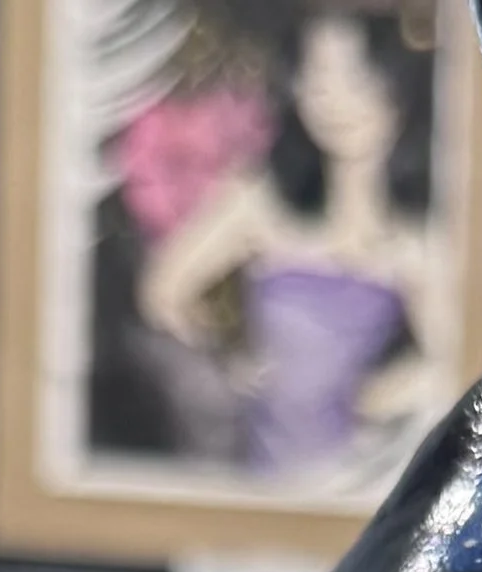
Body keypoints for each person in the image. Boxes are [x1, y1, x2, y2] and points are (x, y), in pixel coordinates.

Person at [137, 5, 435, 480]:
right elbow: (163, 291)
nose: (335, 101)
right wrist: (228, 359)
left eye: (357, 77)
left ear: (398, 82)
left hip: (368, 479)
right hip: (260, 471)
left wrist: (385, 394)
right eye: (316, 79)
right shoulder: (262, 197)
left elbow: (461, 360)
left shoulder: (419, 230)